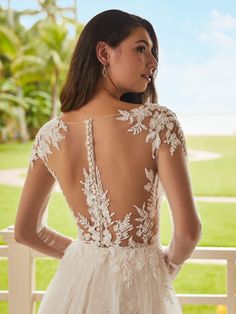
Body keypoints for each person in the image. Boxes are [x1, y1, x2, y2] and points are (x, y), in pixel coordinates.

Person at [14, 9, 202, 314]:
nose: (153, 63)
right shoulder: (157, 122)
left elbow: (26, 231)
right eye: (141, 49)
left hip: (74, 289)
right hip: (140, 288)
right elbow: (188, 232)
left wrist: (86, 255)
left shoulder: (50, 135)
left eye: (153, 52)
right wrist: (167, 267)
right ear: (104, 53)